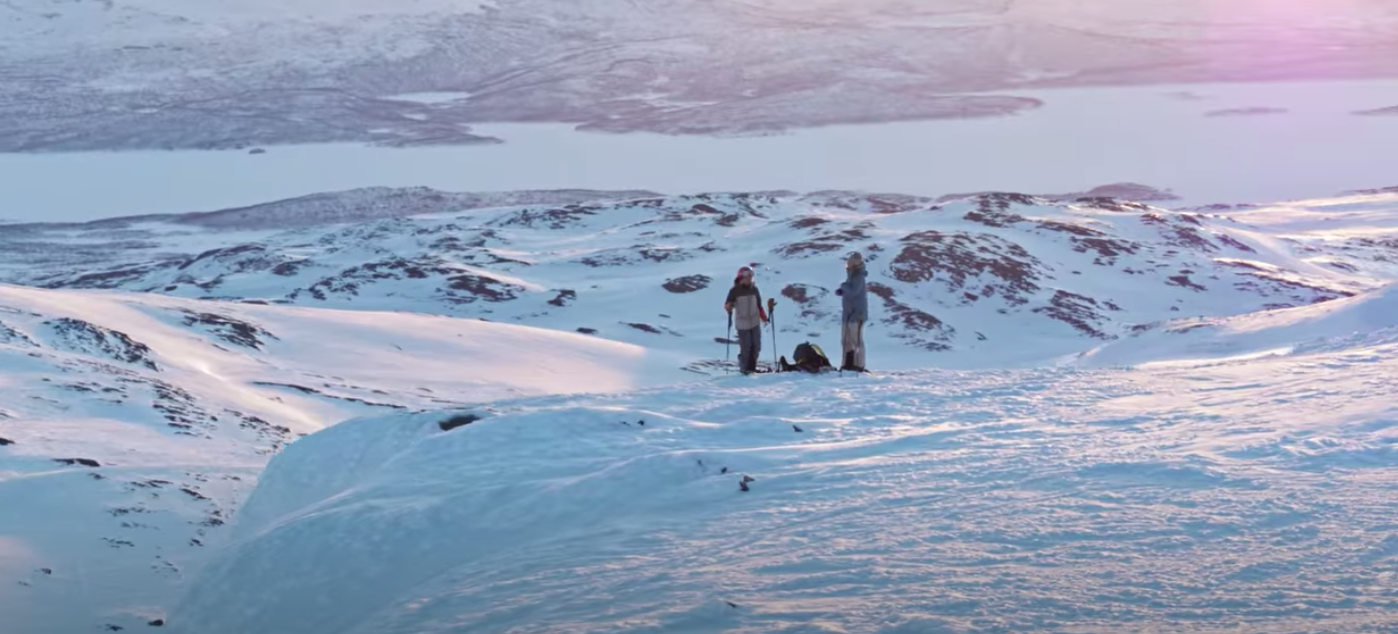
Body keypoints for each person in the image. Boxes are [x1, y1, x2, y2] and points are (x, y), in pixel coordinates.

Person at [724, 266, 769, 374]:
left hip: (755, 322)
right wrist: (729, 306)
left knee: (756, 347)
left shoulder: (754, 290)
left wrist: (764, 318)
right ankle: (744, 368)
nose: (749, 278)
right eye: (746, 276)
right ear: (741, 277)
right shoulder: (734, 291)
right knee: (746, 348)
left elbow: (759, 305)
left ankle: (752, 368)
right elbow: (727, 305)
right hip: (742, 324)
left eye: (750, 275)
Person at [834, 252, 868, 372]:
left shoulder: (858, 277)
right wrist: (842, 291)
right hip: (848, 315)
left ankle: (859, 365)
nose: (847, 265)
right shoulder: (852, 277)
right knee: (846, 340)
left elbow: (854, 292)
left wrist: (844, 286)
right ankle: (847, 363)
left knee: (856, 341)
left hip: (857, 315)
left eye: (849, 263)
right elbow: (851, 291)